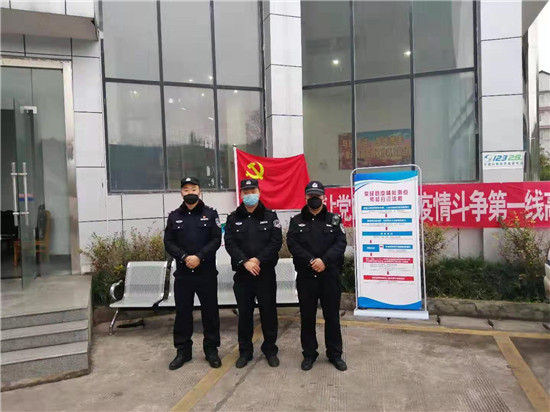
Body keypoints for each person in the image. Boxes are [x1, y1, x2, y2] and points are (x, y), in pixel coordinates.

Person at [286, 180, 348, 372]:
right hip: (306, 277)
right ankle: (309, 354)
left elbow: (340, 243)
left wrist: (324, 261)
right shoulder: (296, 221)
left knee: (332, 317)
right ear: (306, 197)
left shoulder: (334, 220)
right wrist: (312, 261)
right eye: (311, 195)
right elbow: (293, 244)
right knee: (307, 317)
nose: (314, 199)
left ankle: (335, 354)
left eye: (317, 195)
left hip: (329, 276)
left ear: (324, 197)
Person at [164, 177, 222, 370]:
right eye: (186, 189)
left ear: (200, 191)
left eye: (193, 189)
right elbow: (168, 242)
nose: (190, 192)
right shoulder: (174, 216)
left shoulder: (210, 214)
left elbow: (216, 239)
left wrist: (199, 256)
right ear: (181, 192)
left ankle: (211, 350)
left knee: (210, 312)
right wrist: (184, 257)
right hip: (183, 274)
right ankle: (183, 351)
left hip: (206, 273)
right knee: (182, 313)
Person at [224, 179, 282, 368]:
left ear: (259, 192)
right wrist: (245, 262)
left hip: (265, 274)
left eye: (253, 191)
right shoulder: (233, 218)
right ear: (241, 194)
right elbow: (230, 243)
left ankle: (270, 350)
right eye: (246, 192)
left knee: (269, 314)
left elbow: (276, 242)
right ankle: (245, 352)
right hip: (243, 275)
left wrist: (257, 260)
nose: (250, 195)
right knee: (245, 315)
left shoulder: (270, 216)